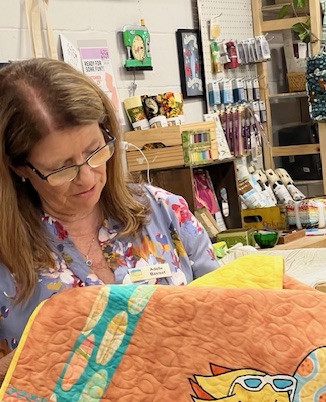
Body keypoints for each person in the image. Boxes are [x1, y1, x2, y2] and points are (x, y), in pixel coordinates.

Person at [0, 58, 219, 379]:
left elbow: (225, 314)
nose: (87, 178)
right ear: (19, 168)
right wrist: (28, 362)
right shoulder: (6, 254)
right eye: (62, 168)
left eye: (95, 151)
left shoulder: (166, 212)